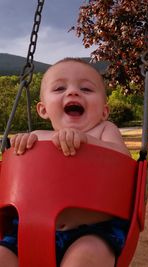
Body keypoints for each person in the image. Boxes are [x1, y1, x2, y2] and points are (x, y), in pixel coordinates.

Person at [0, 58, 131, 267]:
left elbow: (123, 161)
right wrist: (20, 149)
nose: (73, 92)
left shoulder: (105, 130)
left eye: (86, 89)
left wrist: (88, 142)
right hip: (30, 229)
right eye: (60, 87)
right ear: (43, 110)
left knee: (86, 258)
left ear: (104, 112)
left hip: (92, 231)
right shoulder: (37, 136)